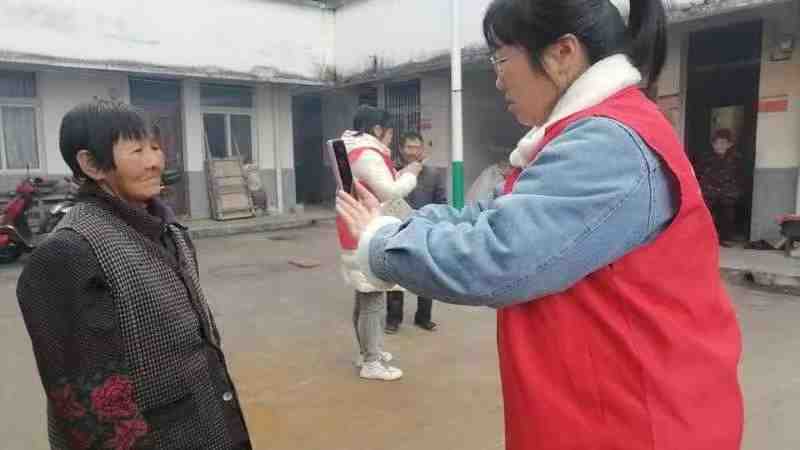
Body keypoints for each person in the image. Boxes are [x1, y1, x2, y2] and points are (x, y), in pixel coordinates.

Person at [337, 0, 743, 448]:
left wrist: (381, 245)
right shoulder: (579, 136)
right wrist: (394, 226)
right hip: (602, 409)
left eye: (500, 59)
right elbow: (487, 216)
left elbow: (497, 257)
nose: (497, 79)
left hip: (636, 424)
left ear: (562, 53)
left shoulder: (608, 142)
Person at [17, 100, 251, 450]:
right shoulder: (70, 252)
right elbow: (93, 410)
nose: (154, 161)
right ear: (91, 164)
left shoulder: (170, 231)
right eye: (137, 151)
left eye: (155, 147)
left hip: (210, 426)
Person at [336, 105, 421, 380]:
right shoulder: (368, 154)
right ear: (377, 129)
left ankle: (366, 352)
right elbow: (390, 192)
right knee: (373, 300)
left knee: (364, 297)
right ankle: (371, 362)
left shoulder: (351, 149)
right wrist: (411, 172)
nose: (391, 138)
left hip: (356, 228)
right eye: (390, 133)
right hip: (366, 232)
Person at [385, 131, 447, 334]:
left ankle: (423, 318)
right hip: (397, 229)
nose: (413, 151)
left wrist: (438, 226)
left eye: (417, 147)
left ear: (422, 149)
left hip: (424, 230)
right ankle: (393, 319)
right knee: (395, 275)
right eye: (409, 147)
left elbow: (442, 203)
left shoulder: (434, 174)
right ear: (401, 149)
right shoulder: (392, 173)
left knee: (425, 276)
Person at [695, 128, 743, 244]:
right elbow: (698, 174)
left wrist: (734, 191)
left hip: (727, 193)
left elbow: (739, 177)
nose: (720, 146)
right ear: (713, 144)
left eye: (723, 143)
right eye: (717, 143)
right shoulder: (705, 157)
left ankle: (724, 238)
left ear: (730, 144)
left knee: (727, 215)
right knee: (706, 215)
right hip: (708, 192)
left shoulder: (736, 158)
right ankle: (705, 238)